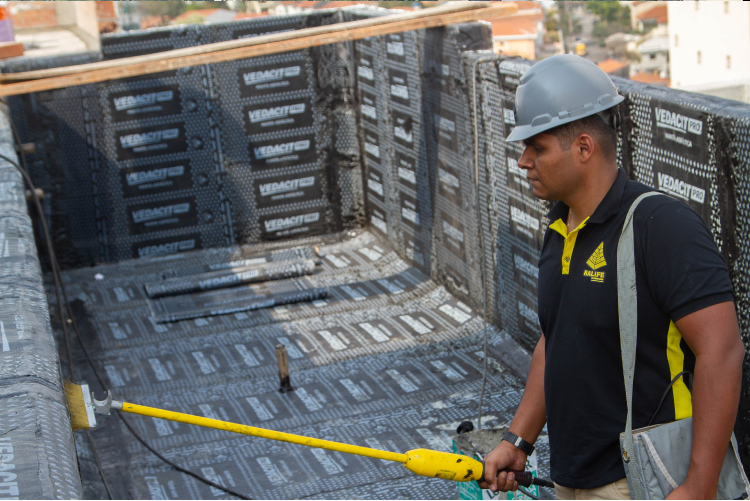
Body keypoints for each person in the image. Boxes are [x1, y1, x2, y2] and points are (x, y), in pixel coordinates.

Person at [478, 54, 745, 500]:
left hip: (645, 481)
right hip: (571, 479)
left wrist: (699, 485)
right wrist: (518, 440)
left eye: (537, 147)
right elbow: (557, 336)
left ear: (584, 147)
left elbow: (722, 351)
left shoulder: (660, 226)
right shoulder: (561, 228)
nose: (523, 160)